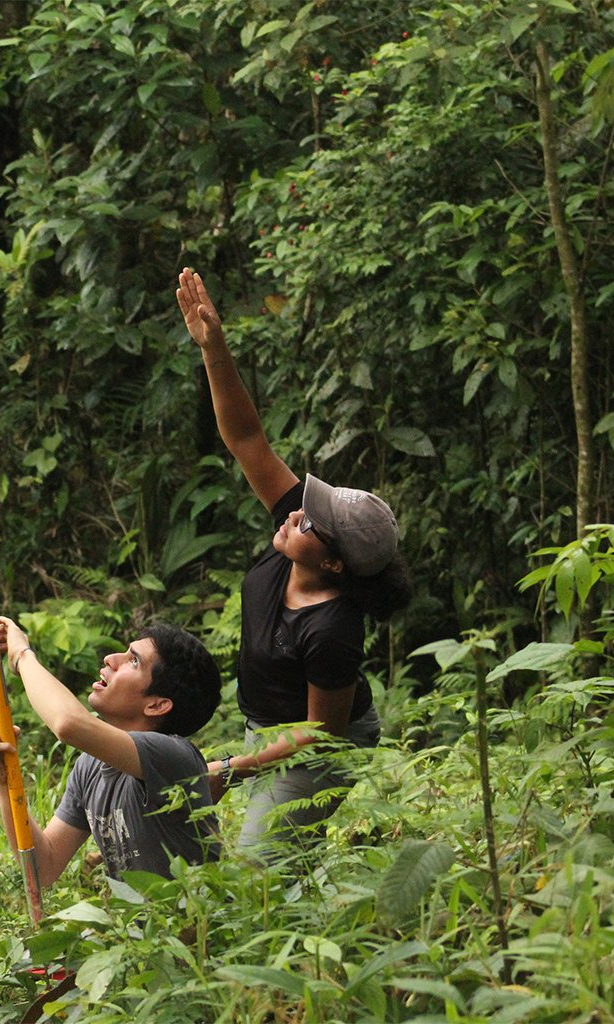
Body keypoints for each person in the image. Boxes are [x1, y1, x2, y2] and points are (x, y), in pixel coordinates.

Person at [175, 267, 413, 859]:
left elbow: (319, 733)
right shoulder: (296, 536)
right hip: (268, 727)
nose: (293, 515)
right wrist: (215, 349)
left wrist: (231, 767)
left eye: (310, 521)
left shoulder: (331, 630)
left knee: (258, 870)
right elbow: (247, 439)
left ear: (334, 564)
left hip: (320, 743)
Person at [0, 616, 223, 887]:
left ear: (156, 705)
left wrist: (22, 655)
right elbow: (42, 870)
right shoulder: (89, 767)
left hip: (192, 927)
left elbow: (67, 723)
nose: (110, 659)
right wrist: (3, 783)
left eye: (133, 661)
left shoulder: (173, 756)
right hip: (134, 929)